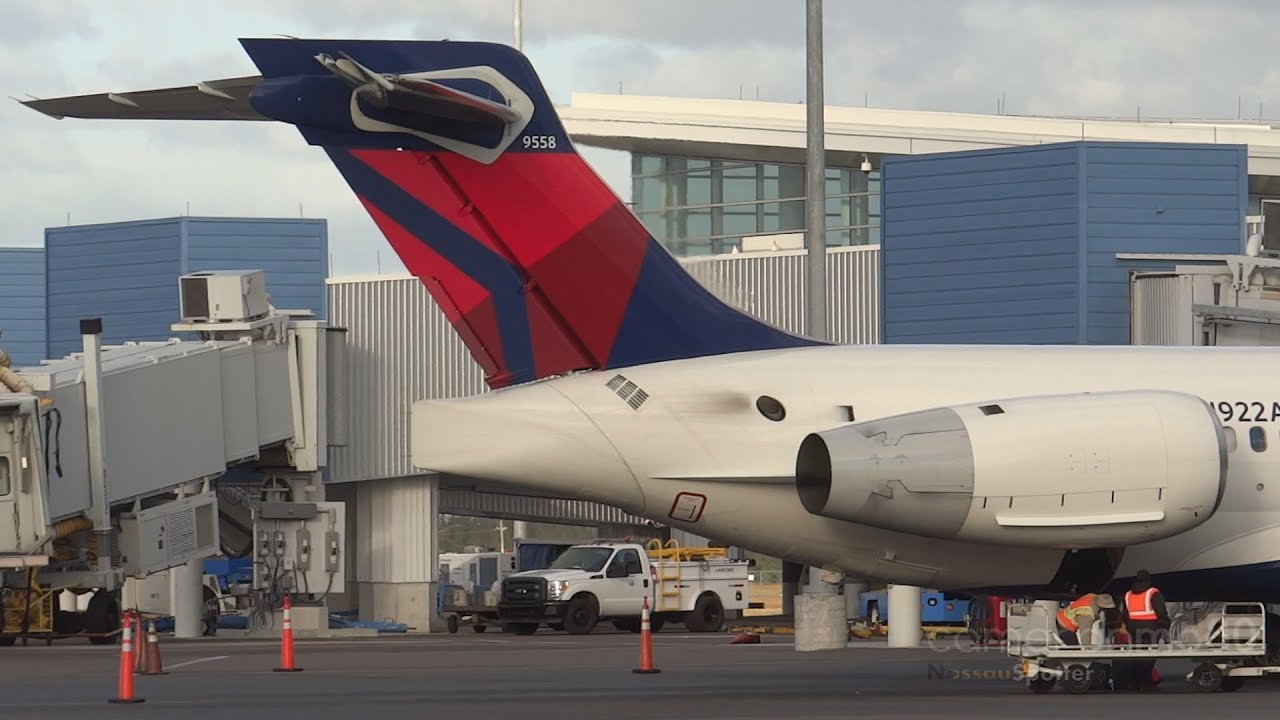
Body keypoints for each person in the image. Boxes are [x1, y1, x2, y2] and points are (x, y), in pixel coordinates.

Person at [1119, 570, 1170, 691]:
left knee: (1137, 654)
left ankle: (1134, 682)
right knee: (1149, 655)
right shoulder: (1153, 592)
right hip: (1152, 627)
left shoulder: (1128, 594)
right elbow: (1160, 611)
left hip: (1134, 628)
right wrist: (1165, 625)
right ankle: (1145, 681)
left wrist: (1128, 626)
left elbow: (1125, 614)